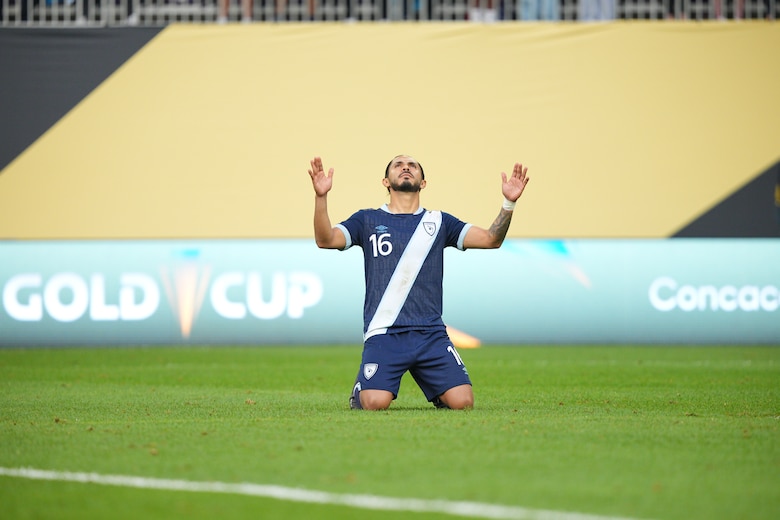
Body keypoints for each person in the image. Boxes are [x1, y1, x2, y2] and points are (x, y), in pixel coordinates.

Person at [307, 155, 530, 411]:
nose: (405, 167)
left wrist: (509, 202)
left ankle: (437, 389)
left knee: (463, 402)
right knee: (374, 403)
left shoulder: (440, 222)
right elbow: (326, 240)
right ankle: (361, 390)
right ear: (385, 181)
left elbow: (492, 240)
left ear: (423, 182)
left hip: (431, 334)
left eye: (412, 166)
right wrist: (321, 197)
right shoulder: (366, 220)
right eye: (398, 165)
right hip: (385, 333)